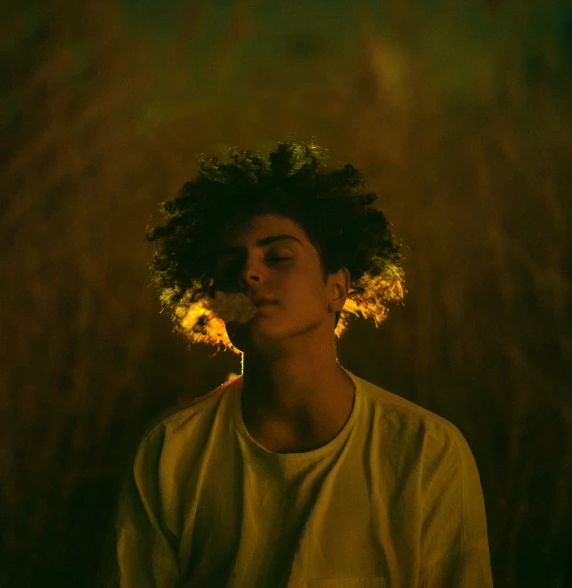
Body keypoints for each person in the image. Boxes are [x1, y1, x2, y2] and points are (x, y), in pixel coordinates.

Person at [100, 139, 494, 588]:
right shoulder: (171, 453)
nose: (250, 272)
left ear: (336, 289)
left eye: (279, 257)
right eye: (231, 265)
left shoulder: (426, 452)